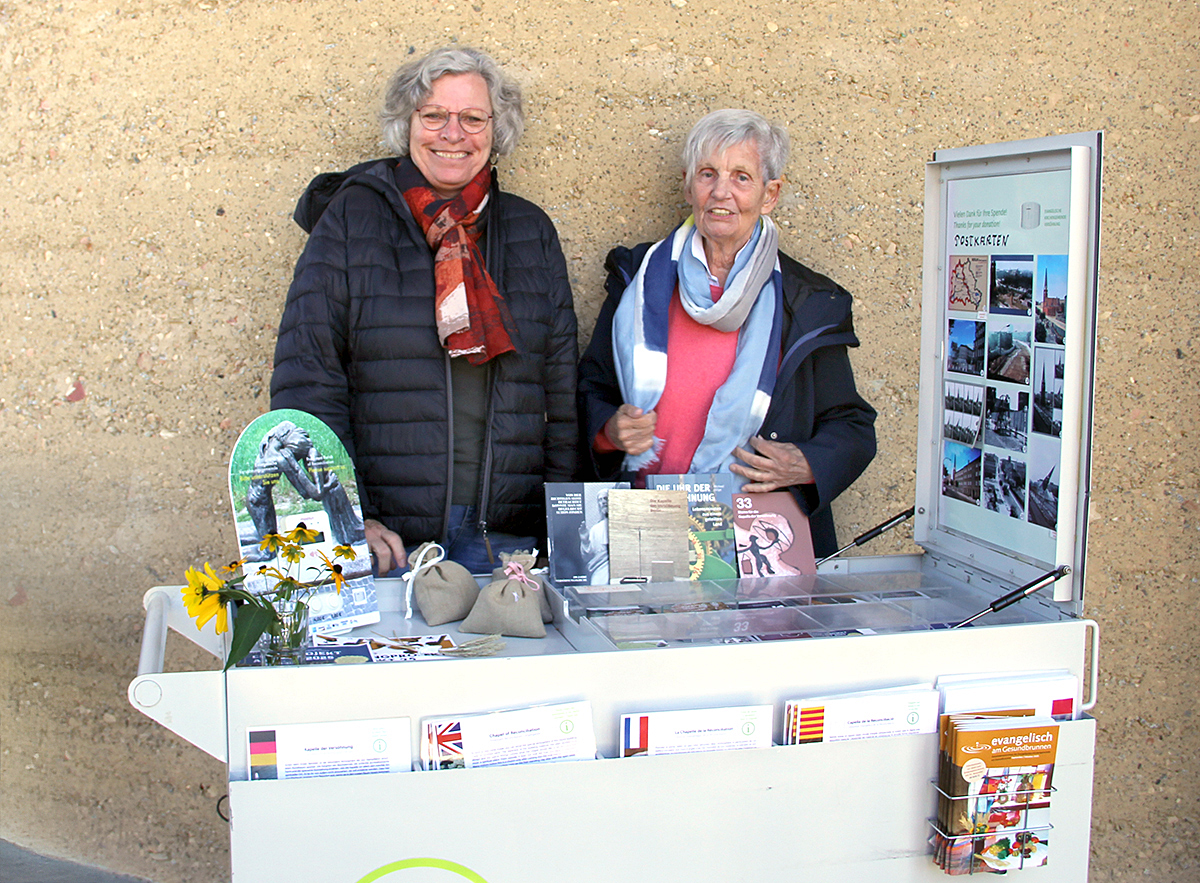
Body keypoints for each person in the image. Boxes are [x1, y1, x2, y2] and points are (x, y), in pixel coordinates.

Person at [271, 46, 579, 575]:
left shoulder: (531, 231)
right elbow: (309, 378)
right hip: (388, 541)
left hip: (508, 546)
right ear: (406, 123)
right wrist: (346, 518)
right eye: (434, 115)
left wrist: (562, 531)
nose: (452, 134)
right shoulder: (352, 219)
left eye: (472, 118)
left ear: (495, 128)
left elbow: (561, 396)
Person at [577, 109, 875, 559]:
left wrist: (808, 464)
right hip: (645, 517)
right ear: (687, 184)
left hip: (757, 532)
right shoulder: (637, 281)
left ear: (770, 194)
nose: (722, 192)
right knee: (646, 630)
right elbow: (590, 388)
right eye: (708, 174)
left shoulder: (807, 302)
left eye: (741, 177)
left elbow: (852, 427)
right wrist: (610, 430)